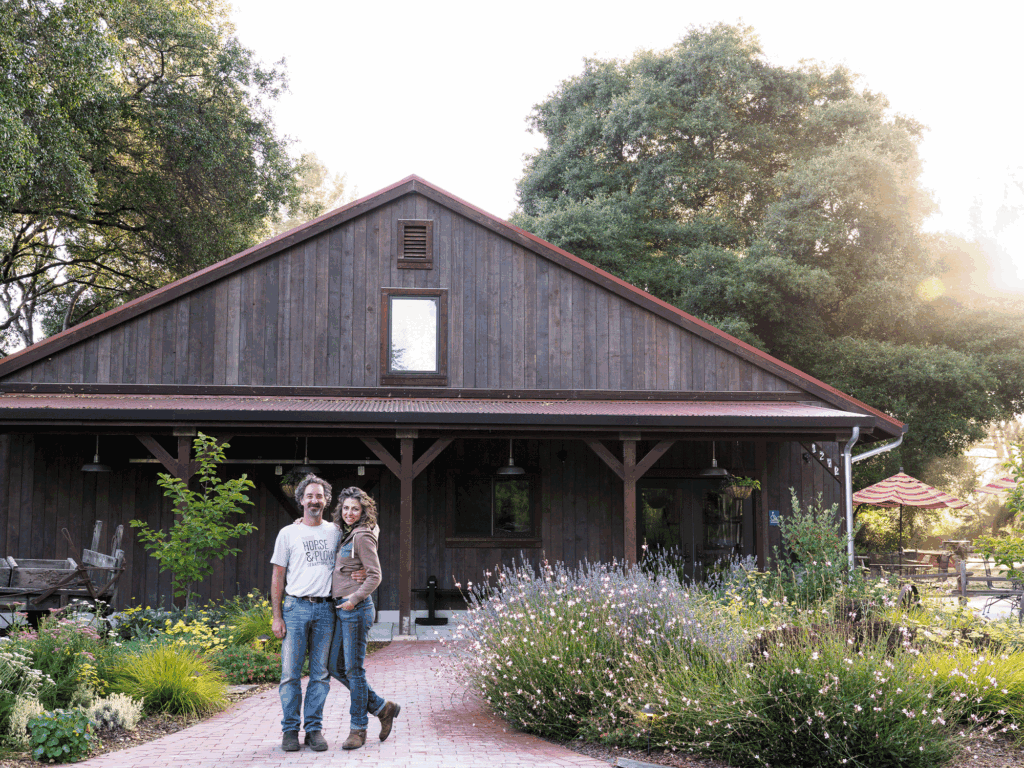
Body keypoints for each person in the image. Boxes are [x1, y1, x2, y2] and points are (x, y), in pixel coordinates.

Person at [270, 474, 340, 753]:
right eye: (309, 495)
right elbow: (277, 576)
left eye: (319, 496)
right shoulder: (288, 533)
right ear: (300, 500)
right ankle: (289, 731)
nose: (314, 500)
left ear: (326, 500)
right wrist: (277, 616)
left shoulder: (336, 531)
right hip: (295, 608)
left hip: (325, 609)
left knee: (320, 675)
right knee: (290, 674)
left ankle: (314, 730)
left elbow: (369, 532)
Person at [328, 486, 401, 750]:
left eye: (355, 509)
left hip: (355, 610)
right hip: (341, 608)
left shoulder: (362, 535)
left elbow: (375, 575)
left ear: (363, 512)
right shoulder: (345, 533)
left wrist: (353, 600)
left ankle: (358, 729)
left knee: (354, 670)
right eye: (346, 508)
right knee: (335, 667)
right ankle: (383, 707)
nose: (349, 513)